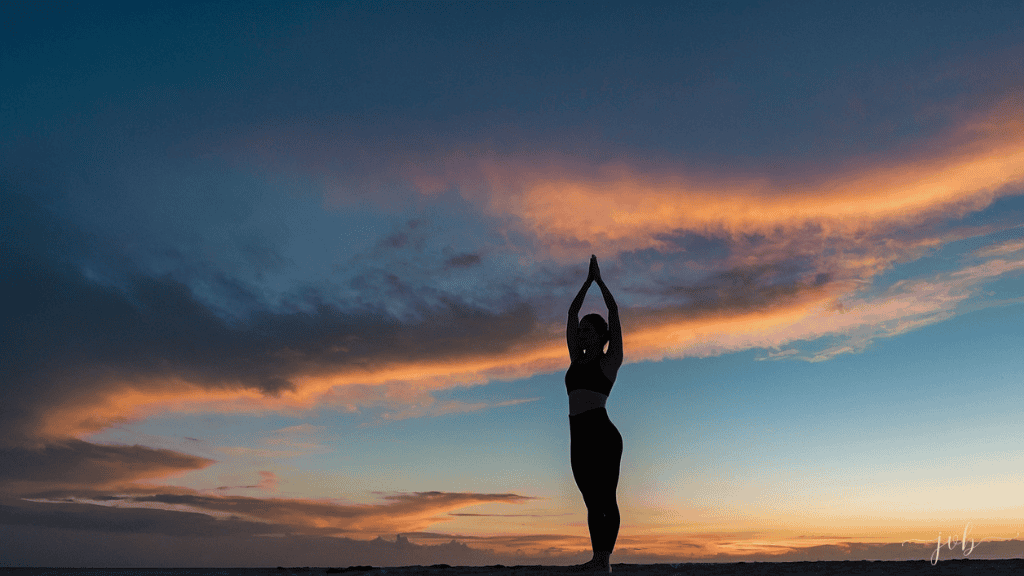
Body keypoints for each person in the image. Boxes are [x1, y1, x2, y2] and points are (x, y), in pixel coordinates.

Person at [565, 255, 623, 573]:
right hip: (578, 436)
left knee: (606, 499)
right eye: (582, 332)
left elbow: (613, 313)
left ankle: (604, 561)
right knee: (590, 502)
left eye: (589, 331)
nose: (583, 335)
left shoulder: (608, 361)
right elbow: (572, 313)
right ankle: (597, 557)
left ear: (601, 337)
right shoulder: (576, 360)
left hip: (602, 434)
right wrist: (585, 283)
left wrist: (601, 283)